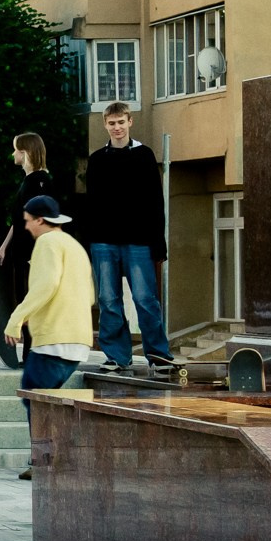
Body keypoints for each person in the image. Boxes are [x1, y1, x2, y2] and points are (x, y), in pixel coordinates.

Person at [1, 195, 94, 480]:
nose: (26, 227)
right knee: (47, 400)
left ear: (40, 220)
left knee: (36, 400)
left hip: (54, 338)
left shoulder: (47, 243)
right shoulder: (73, 245)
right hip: (78, 339)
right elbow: (89, 295)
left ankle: (45, 461)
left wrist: (16, 319)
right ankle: (55, 458)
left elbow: (46, 284)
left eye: (28, 221)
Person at [83, 104, 174, 373]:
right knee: (109, 300)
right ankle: (116, 357)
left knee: (145, 299)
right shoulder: (97, 159)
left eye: (121, 122)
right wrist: (90, 241)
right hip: (104, 241)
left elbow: (156, 202)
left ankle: (158, 355)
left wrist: (159, 242)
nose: (117, 127)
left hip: (139, 240)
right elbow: (91, 204)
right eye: (111, 123)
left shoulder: (144, 156)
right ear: (105, 125)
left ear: (130, 121)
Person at [0, 133, 56, 310]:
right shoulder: (30, 181)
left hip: (31, 254)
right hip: (23, 252)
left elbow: (44, 221)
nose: (13, 154)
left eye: (16, 150)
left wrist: (36, 254)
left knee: (30, 303)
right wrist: (4, 247)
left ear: (25, 153)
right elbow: (20, 218)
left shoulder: (39, 181)